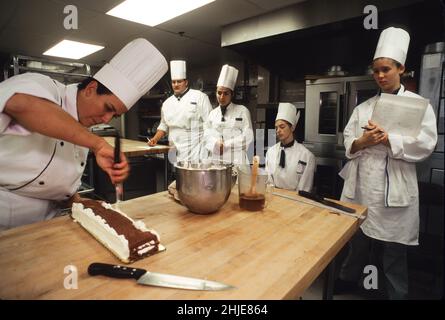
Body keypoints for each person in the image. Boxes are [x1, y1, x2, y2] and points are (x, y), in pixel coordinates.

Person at [0, 38, 168, 230]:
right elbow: (21, 104)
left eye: (115, 115)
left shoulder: (82, 132)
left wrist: (80, 202)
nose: (106, 119)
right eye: (108, 108)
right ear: (90, 89)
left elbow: (56, 186)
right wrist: (97, 144)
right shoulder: (45, 87)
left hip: (45, 225)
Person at [335, 27, 438, 299]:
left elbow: (427, 144)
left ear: (401, 68)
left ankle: (397, 294)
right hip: (362, 186)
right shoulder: (364, 108)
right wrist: (362, 142)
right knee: (356, 240)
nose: (380, 76)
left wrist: (389, 140)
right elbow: (348, 140)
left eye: (386, 70)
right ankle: (347, 279)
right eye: (376, 70)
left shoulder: (419, 106)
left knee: (393, 248)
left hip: (394, 189)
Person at [148, 60, 213, 163]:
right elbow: (164, 126)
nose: (176, 84)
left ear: (186, 82)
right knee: (176, 175)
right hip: (174, 148)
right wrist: (155, 139)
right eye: (174, 82)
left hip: (195, 149)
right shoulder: (167, 103)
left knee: (195, 177)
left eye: (179, 81)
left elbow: (210, 124)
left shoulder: (200, 97)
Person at [204, 64, 254, 165]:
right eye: (219, 93)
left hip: (237, 162)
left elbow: (248, 136)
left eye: (226, 93)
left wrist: (227, 144)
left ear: (232, 94)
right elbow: (205, 135)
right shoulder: (212, 114)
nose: (222, 97)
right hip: (216, 162)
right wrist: (215, 143)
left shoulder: (242, 111)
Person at [265, 102, 315, 192]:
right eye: (276, 128)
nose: (278, 131)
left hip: (296, 202)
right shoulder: (271, 152)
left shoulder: (307, 156)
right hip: (274, 199)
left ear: (292, 128)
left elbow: (305, 189)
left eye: (282, 127)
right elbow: (269, 182)